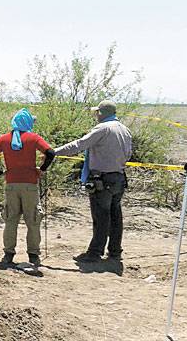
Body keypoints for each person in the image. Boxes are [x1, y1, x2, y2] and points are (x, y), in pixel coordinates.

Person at [55, 100, 132, 263]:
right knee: (115, 216)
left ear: (102, 113)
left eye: (97, 112)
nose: (96, 115)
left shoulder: (102, 128)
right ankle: (115, 252)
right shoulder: (125, 130)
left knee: (101, 216)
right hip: (118, 178)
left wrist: (54, 152)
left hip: (102, 179)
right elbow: (129, 154)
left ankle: (95, 253)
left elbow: (79, 144)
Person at [0, 108, 55, 267]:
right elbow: (50, 153)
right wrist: (42, 169)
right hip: (30, 184)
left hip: (11, 184)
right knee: (33, 220)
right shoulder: (33, 138)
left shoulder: (4, 139)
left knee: (11, 220)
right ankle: (33, 255)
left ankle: (8, 254)